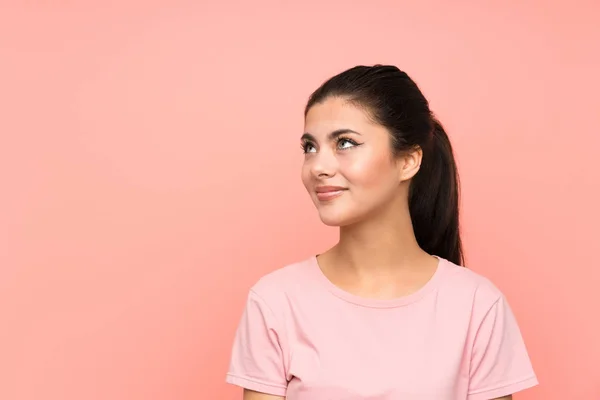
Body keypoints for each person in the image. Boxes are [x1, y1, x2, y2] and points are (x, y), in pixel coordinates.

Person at [225, 65, 538, 399]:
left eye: (344, 143)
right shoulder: (276, 301)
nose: (318, 166)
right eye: (309, 147)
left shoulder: (476, 305)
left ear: (407, 161)